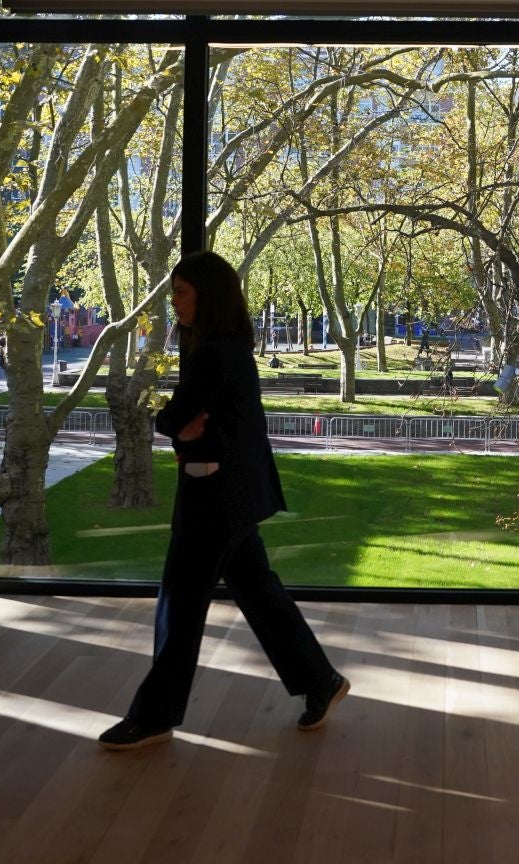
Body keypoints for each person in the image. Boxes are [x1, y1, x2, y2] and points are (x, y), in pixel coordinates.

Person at [99, 250, 349, 752]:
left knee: (180, 603)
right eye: (173, 291)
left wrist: (178, 428)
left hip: (213, 496)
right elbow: (187, 421)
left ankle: (154, 716)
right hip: (230, 492)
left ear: (206, 296)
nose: (174, 302)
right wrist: (182, 427)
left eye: (181, 292)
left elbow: (175, 418)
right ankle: (320, 680)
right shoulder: (226, 347)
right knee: (257, 592)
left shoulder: (214, 354)